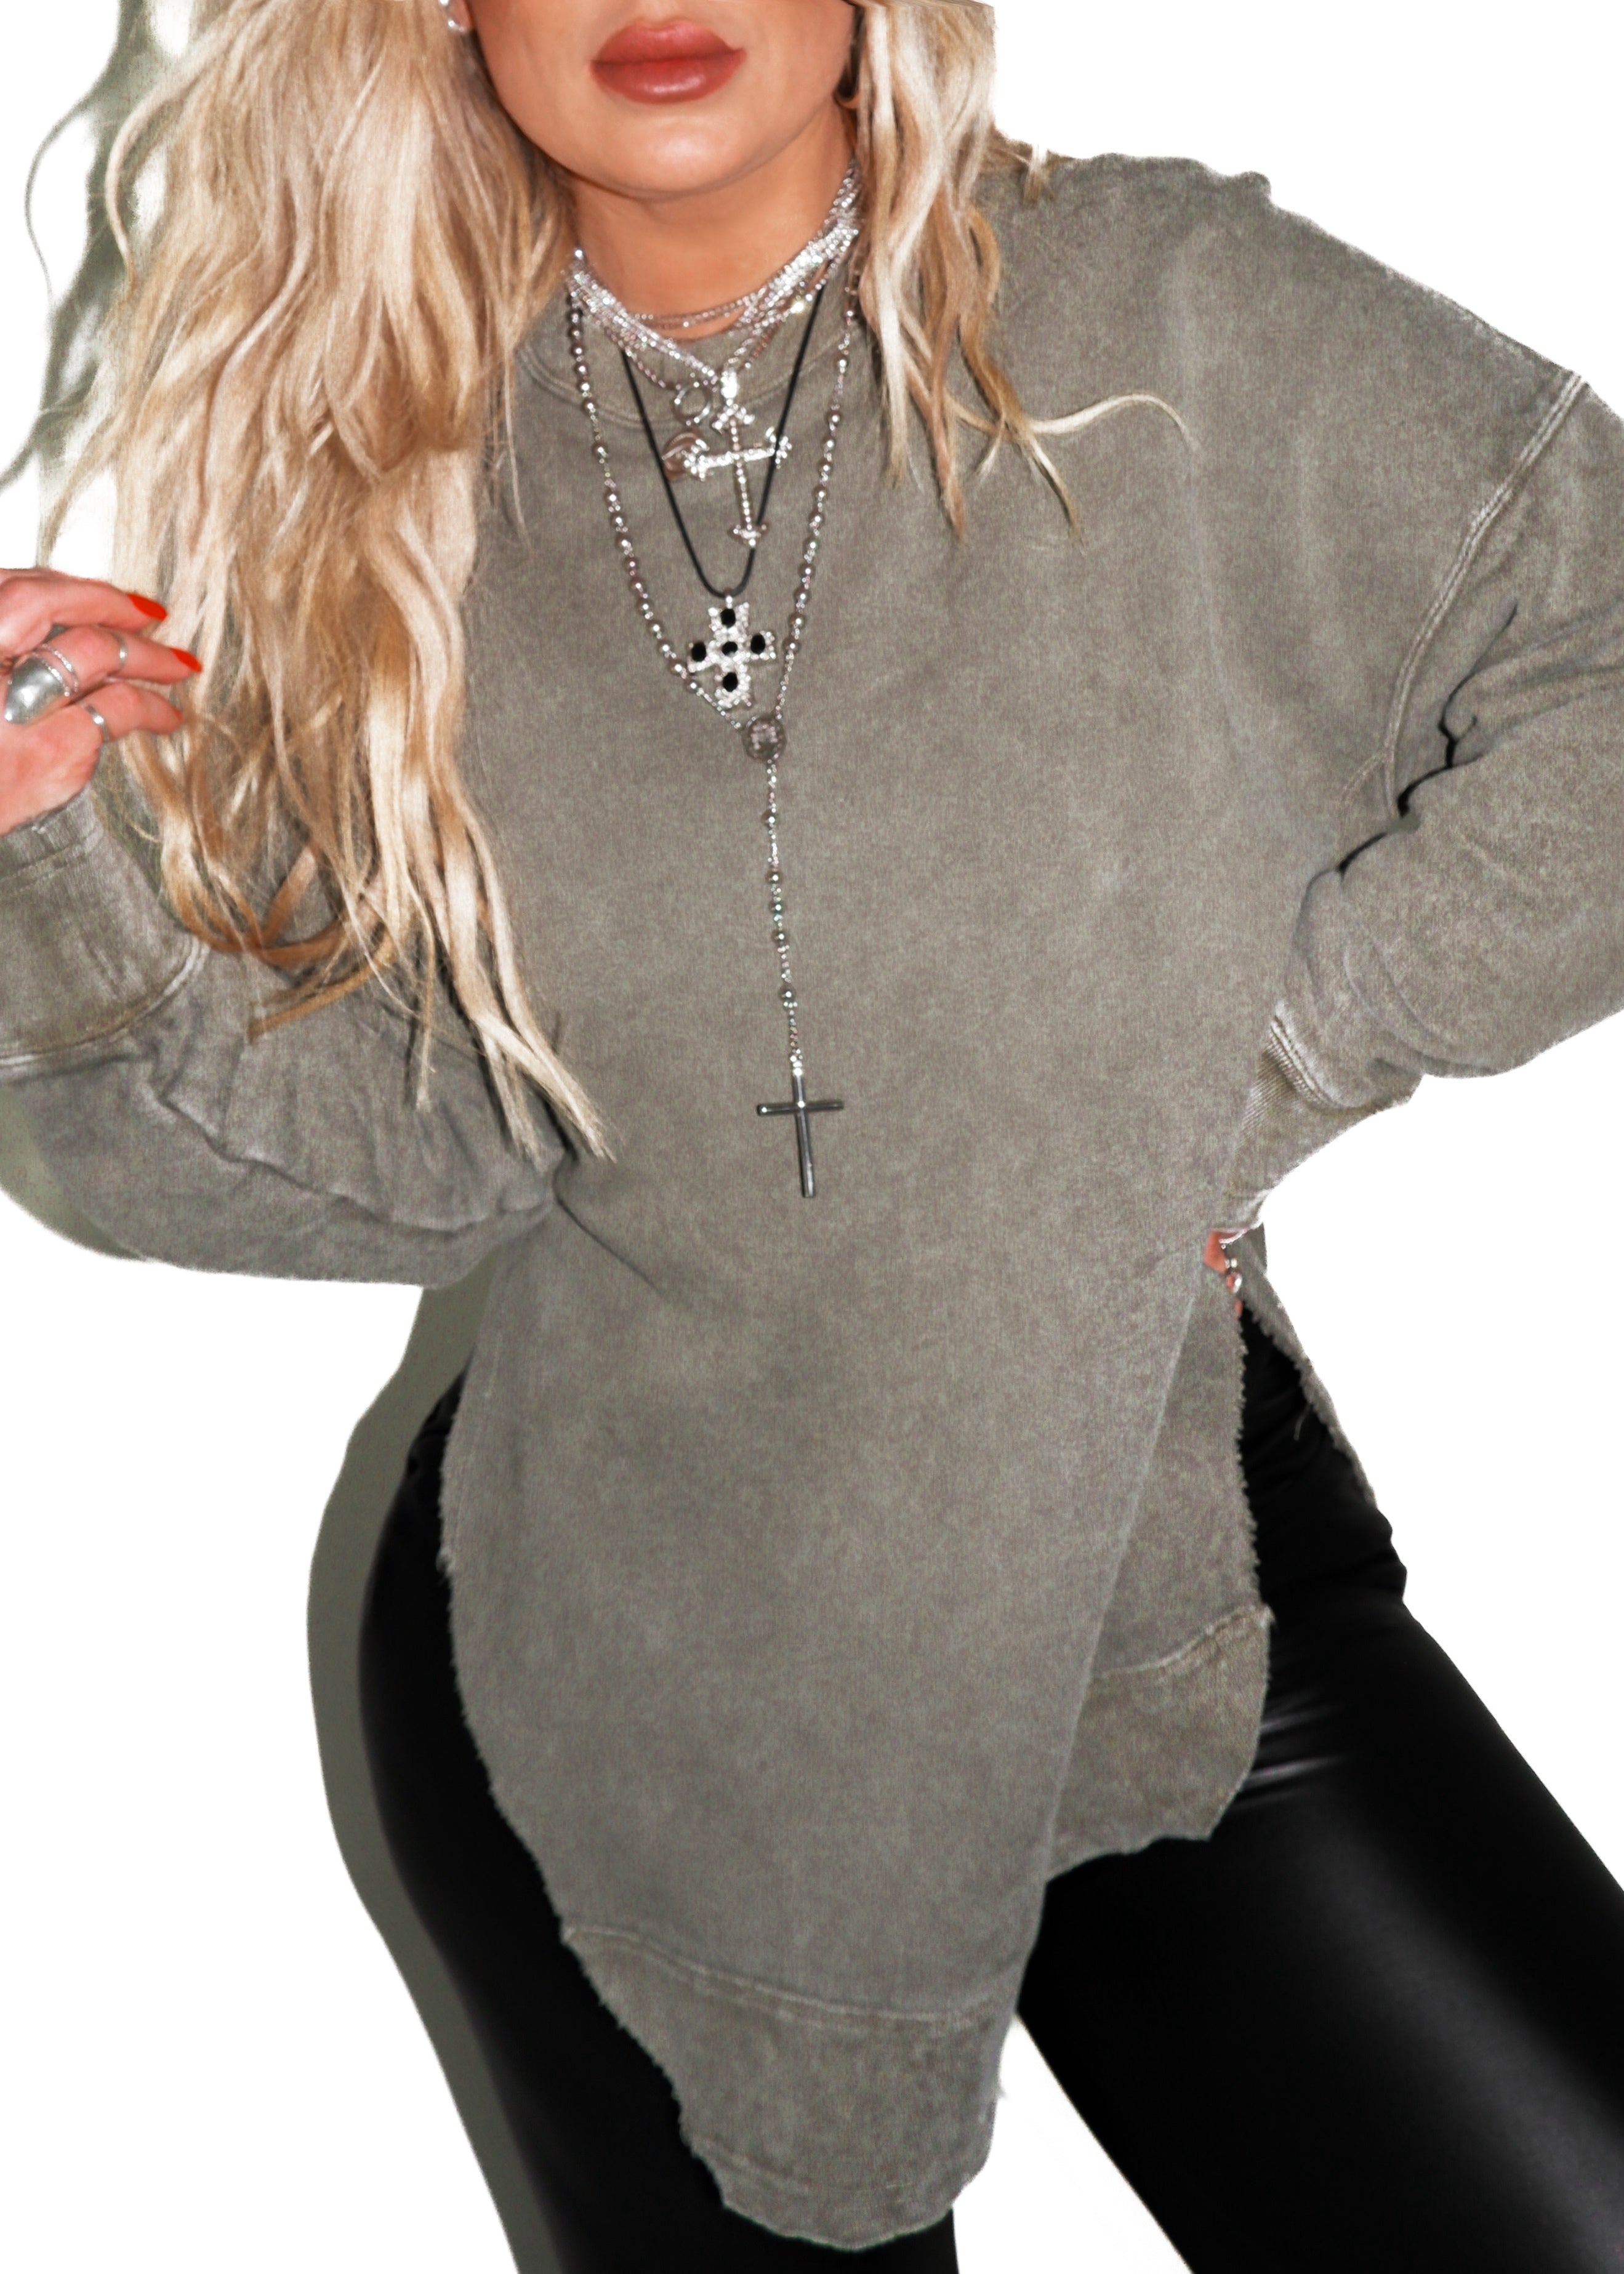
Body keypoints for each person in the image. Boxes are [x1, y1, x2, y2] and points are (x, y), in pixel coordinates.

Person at [3, 2, 1623, 2267]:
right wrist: (44, 870)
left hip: (1148, 1600)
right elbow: (417, 1151)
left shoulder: (1172, 317)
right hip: (615, 1687)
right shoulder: (396, 479)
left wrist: (1254, 1073)